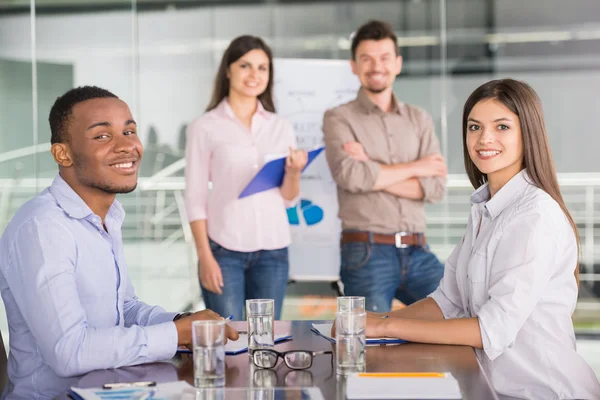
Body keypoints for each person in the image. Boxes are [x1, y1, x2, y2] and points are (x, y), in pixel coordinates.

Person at [362, 79, 600, 399]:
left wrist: (384, 328)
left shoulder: (534, 216)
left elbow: (491, 329)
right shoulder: (486, 208)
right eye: (475, 127)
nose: (484, 138)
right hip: (490, 387)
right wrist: (371, 321)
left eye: (502, 126)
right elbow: (448, 302)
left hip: (541, 391)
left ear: (527, 133)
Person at [0, 86, 239, 400]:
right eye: (102, 136)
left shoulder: (107, 216)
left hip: (112, 391)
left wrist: (182, 324)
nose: (128, 146)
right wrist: (174, 334)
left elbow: (123, 309)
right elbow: (69, 352)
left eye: (129, 131)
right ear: (63, 153)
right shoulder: (43, 228)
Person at [322, 20, 447, 312]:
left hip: (419, 250)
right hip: (366, 253)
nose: (376, 66)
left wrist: (372, 168)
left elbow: (436, 187)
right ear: (353, 66)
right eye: (366, 59)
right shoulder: (339, 118)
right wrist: (418, 167)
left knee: (456, 318)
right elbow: (351, 176)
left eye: (384, 58)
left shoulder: (420, 119)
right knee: (370, 344)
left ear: (398, 63)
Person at [185, 35, 307, 321]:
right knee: (224, 338)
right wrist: (205, 256)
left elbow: (288, 196)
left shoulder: (281, 126)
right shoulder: (205, 127)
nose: (254, 75)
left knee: (264, 341)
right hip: (224, 249)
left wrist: (294, 171)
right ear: (228, 70)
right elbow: (195, 197)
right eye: (245, 66)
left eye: (262, 68)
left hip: (273, 250)